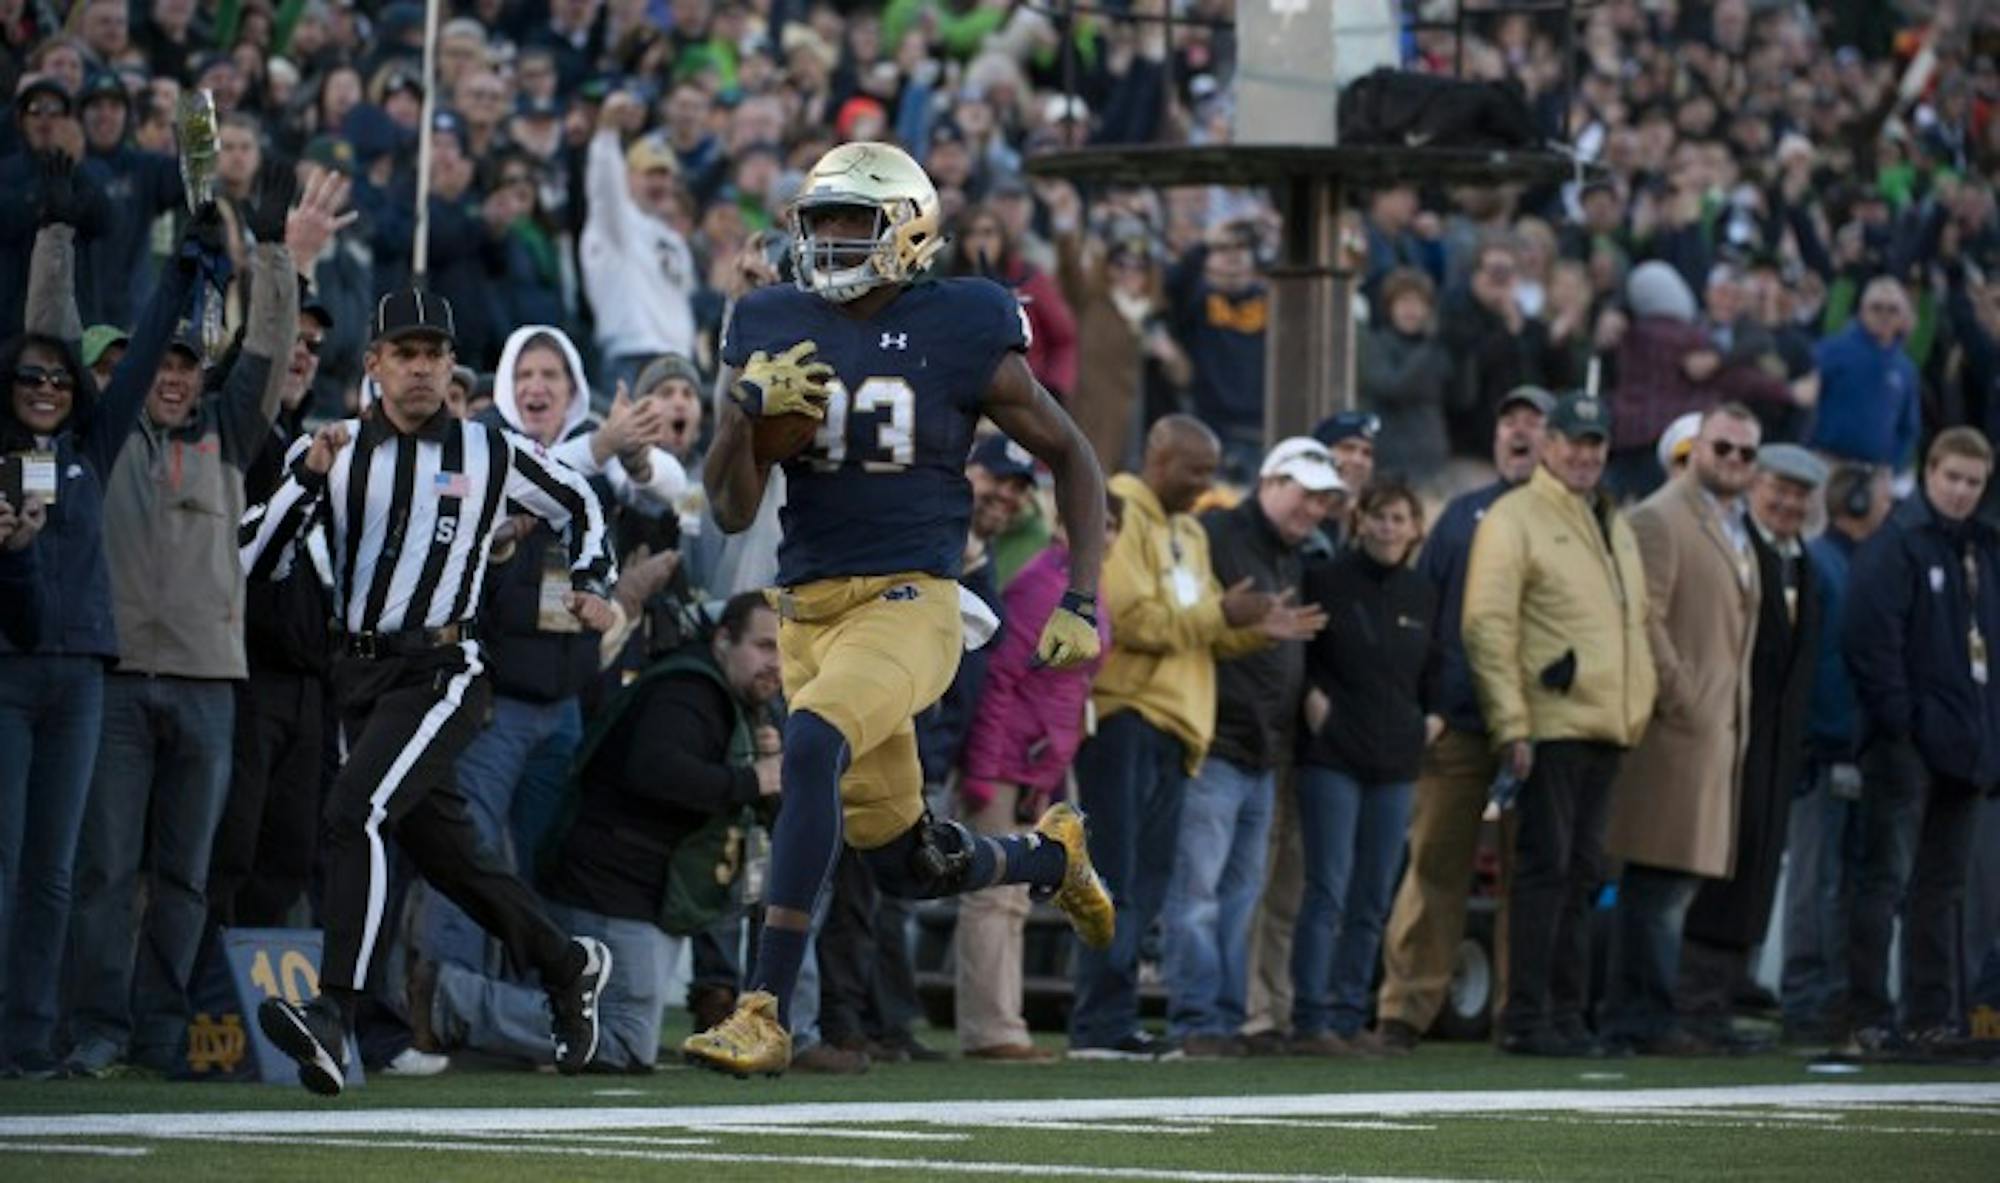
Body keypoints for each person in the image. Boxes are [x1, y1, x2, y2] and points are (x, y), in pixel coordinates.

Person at [681, 141, 1116, 1079]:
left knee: (808, 742)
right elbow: (730, 506)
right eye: (820, 220)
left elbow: (1073, 453)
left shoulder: (961, 319)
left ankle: (764, 1008)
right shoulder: (768, 318)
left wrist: (1084, 591)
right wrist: (741, 416)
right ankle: (1050, 861)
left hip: (912, 596)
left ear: (908, 230)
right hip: (808, 609)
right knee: (901, 862)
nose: (831, 240)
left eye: (853, 221)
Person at [239, 288, 620, 1096]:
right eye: (403, 353)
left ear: (453, 367)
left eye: (433, 354)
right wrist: (305, 480)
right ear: (372, 364)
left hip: (447, 667)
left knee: (356, 812)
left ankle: (334, 1011)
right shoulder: (331, 450)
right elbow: (253, 555)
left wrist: (591, 578)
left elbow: (579, 498)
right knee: (448, 856)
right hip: (359, 675)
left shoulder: (490, 451)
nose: (420, 369)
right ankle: (564, 962)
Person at [60, 170, 315, 1078]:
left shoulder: (229, 434)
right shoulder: (109, 436)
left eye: (181, 365)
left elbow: (271, 348)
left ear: (198, 374)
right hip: (121, 677)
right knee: (104, 871)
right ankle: (96, 1029)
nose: (169, 379)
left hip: (213, 680)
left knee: (184, 879)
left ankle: (162, 1034)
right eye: (154, 367)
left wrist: (277, 254)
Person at [0, 169, 201, 1079]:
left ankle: (30, 1038)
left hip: (80, 674)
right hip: (8, 670)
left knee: (51, 870)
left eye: (57, 374)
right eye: (28, 374)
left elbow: (153, 344)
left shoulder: (92, 443)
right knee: (5, 864)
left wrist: (185, 274)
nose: (45, 386)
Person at [412, 592, 784, 1073]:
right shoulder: (688, 692)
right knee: (625, 1042)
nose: (775, 663)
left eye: (785, 650)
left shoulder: (741, 703)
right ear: (723, 640)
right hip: (611, 889)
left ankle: (465, 1006)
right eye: (764, 646)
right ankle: (449, 998)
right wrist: (756, 777)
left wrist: (763, 775)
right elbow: (656, 771)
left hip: (644, 894)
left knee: (610, 1026)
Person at [1069, 415, 1323, 1060]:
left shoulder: (1189, 530)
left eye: (1212, 472)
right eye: (1195, 470)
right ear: (1158, 458)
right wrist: (1221, 614)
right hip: (1125, 717)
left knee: (1148, 887)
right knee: (1115, 880)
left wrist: (1260, 626)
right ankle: (1097, 1023)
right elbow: (1129, 618)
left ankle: (1118, 1021)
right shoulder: (1122, 509)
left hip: (1180, 728)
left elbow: (1204, 627)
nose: (1206, 484)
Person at [1463, 391, 1655, 1057]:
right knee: (1547, 874)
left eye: (1595, 442)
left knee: (1579, 875)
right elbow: (1487, 623)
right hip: (1551, 723)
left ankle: (1567, 1015)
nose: (1584, 453)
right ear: (1547, 445)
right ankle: (1527, 1017)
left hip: (1604, 722)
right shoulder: (1516, 517)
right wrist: (1512, 722)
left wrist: (1640, 702)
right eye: (1573, 440)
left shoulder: (1610, 518)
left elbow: (1634, 623)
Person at [1373, 385, 1551, 1053]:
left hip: (1541, 722)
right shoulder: (1462, 515)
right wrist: (1432, 705)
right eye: (1510, 418)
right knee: (1434, 867)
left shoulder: (1569, 517)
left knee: (1530, 876)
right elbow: (1428, 607)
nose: (1520, 429)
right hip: (1460, 720)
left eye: (1534, 420)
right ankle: (1403, 1010)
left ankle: (1519, 1011)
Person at [1165, 437, 1342, 1057]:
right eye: (1306, 494)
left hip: (1264, 752)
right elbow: (1190, 617)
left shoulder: (1289, 555)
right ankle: (1196, 1020)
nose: (1315, 510)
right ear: (1270, 481)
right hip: (1216, 742)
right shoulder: (1215, 532)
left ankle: (1225, 1017)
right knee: (1198, 894)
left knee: (1238, 897)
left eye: (1324, 501)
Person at [1600, 403, 1763, 1056]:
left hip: (1714, 732)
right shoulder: (1661, 518)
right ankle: (1640, 1016)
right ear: (1696, 447)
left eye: (1747, 454)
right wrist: (1685, 698)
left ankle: (1650, 1012)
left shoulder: (1732, 525)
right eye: (1723, 448)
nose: (1733, 462)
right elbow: (1644, 617)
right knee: (1655, 885)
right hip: (1675, 733)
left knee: (1669, 885)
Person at [1841, 428, 2000, 1051]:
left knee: (1942, 888)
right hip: (1904, 749)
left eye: (1973, 481)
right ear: (1929, 473)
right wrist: (1903, 726)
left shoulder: (1983, 550)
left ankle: (1932, 1016)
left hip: (1965, 751)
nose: (1960, 491)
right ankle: (1868, 1016)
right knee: (1885, 881)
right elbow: (1867, 639)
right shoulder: (1896, 544)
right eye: (1952, 477)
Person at [956, 495, 1118, 1060]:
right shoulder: (1040, 586)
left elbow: (1067, 691)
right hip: (1009, 756)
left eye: (1110, 526)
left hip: (1039, 758)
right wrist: (983, 771)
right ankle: (989, 1028)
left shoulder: (1079, 587)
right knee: (993, 895)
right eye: (1095, 523)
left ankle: (1005, 1021)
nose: (1105, 536)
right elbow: (1001, 682)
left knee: (1017, 896)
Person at [1680, 443, 1827, 1047]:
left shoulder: (1805, 566)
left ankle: (1724, 996)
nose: (1788, 503)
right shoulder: (1740, 555)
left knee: (1755, 872)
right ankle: (1695, 1002)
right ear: (1755, 487)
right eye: (1779, 489)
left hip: (1775, 747)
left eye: (1800, 494)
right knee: (1718, 871)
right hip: (1727, 738)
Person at [1290, 479, 1436, 1056]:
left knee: (1373, 897)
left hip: (1396, 764)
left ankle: (1351, 1016)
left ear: (1415, 526)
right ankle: (1311, 1017)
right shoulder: (1326, 581)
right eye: (1378, 516)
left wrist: (1435, 718)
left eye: (1400, 517)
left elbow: (1441, 668)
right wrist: (1312, 696)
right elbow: (1297, 654)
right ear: (1359, 522)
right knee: (1328, 888)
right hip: (1333, 759)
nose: (1388, 527)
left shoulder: (1424, 593)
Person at [1782, 463, 1893, 1044]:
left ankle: (1836, 995)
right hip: (1827, 746)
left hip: (1854, 744)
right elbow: (1817, 666)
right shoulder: (1824, 563)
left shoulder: (1860, 563)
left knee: (1845, 881)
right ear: (1853, 499)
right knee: (1816, 880)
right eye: (1878, 498)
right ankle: (1807, 999)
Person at [1810, 278, 1921, 473]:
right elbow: (1807, 402)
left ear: (1903, 317)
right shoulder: (1831, 351)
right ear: (1862, 311)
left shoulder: (1905, 368)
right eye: (1876, 308)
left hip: (1874, 471)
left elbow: (1908, 427)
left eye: (1893, 309)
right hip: (1825, 462)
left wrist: (1891, 466)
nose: (1884, 315)